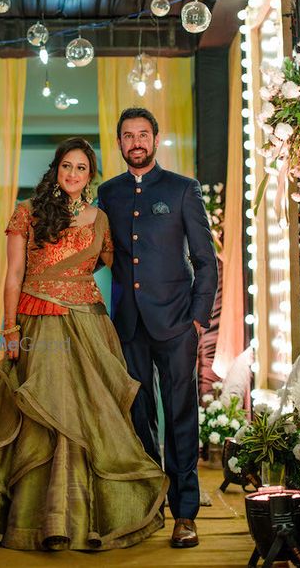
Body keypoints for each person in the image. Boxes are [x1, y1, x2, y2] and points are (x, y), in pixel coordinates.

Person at [0, 137, 168, 552]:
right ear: (55, 169)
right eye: (67, 166)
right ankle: (29, 517)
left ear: (90, 177)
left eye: (81, 168)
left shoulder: (100, 219)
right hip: (38, 322)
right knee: (38, 413)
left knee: (90, 413)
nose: (73, 174)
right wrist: (10, 328)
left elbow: (127, 268)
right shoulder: (28, 212)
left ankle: (79, 517)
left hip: (89, 325)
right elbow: (13, 274)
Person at [97, 108, 218, 549]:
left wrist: (199, 318)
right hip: (128, 324)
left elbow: (206, 262)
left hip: (176, 323)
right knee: (138, 417)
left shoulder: (183, 190)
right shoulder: (107, 193)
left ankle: (185, 513)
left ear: (156, 139)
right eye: (127, 136)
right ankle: (152, 504)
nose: (136, 142)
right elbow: (96, 250)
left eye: (142, 134)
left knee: (181, 416)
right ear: (119, 143)